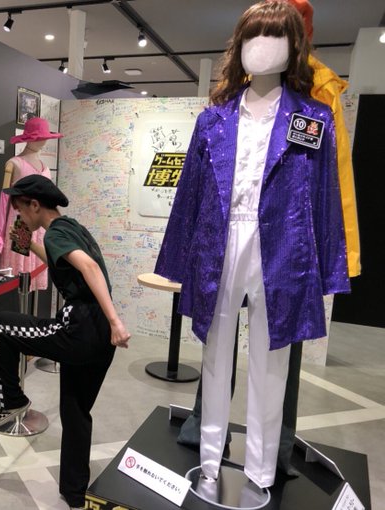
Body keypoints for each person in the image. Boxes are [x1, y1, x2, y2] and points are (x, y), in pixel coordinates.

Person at [154, 0, 349, 489]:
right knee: (215, 352)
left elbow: (326, 195)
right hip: (220, 240)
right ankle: (209, 460)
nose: (261, 47)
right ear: (237, 46)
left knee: (272, 358)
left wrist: (329, 269)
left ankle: (260, 473)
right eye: (252, 36)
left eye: (275, 36)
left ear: (294, 47)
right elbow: (190, 194)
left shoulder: (313, 118)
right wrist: (176, 260)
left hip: (283, 244)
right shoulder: (213, 119)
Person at [0, 174, 131, 509]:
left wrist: (116, 321)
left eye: (21, 210)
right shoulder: (71, 228)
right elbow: (65, 260)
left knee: (1, 326)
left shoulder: (57, 233)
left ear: (35, 205)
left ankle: (11, 400)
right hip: (99, 338)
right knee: (76, 410)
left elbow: (90, 268)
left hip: (79, 328)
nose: (20, 216)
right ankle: (75, 492)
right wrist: (28, 245)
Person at [0, 117, 60, 291]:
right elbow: (4, 199)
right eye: (40, 137)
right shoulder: (13, 164)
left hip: (41, 225)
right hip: (20, 221)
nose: (44, 141)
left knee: (37, 269)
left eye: (45, 137)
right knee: (19, 276)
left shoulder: (45, 168)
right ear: (29, 138)